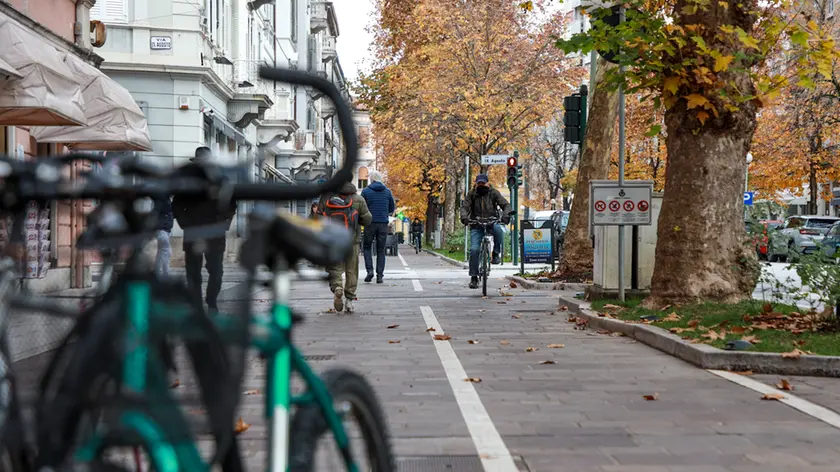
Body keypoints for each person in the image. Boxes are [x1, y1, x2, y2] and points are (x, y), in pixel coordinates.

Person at [172, 146, 237, 312]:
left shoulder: (221, 180)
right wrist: (185, 223)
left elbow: (232, 204)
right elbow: (177, 206)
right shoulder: (186, 181)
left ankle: (212, 301)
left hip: (215, 232)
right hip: (193, 231)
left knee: (216, 271)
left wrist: (224, 222)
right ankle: (196, 303)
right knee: (193, 271)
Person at [324, 181, 372, 313]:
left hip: (333, 240)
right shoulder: (358, 199)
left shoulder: (328, 198)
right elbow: (368, 219)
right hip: (352, 240)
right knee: (352, 270)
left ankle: (337, 287)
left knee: (335, 268)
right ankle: (349, 300)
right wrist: (357, 221)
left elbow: (318, 217)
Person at [460, 174, 512, 289]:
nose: (481, 185)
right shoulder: (471, 194)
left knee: (499, 230)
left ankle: (496, 253)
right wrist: (465, 218)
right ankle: (473, 277)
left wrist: (506, 215)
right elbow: (465, 207)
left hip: (491, 222)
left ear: (487, 183)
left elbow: (505, 205)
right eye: (479, 183)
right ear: (476, 183)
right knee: (474, 250)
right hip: (476, 223)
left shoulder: (494, 193)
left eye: (483, 183)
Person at [360, 171, 395, 284]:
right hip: (383, 224)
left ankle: (369, 271)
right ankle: (379, 276)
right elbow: (391, 208)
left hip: (369, 223)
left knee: (366, 247)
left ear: (371, 180)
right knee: (381, 250)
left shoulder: (365, 191)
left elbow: (362, 208)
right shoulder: (387, 192)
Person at [153, 195, 173, 277]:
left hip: (163, 229)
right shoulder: (164, 199)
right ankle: (165, 273)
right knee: (166, 251)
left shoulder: (164, 199)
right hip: (162, 229)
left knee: (161, 252)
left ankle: (156, 272)